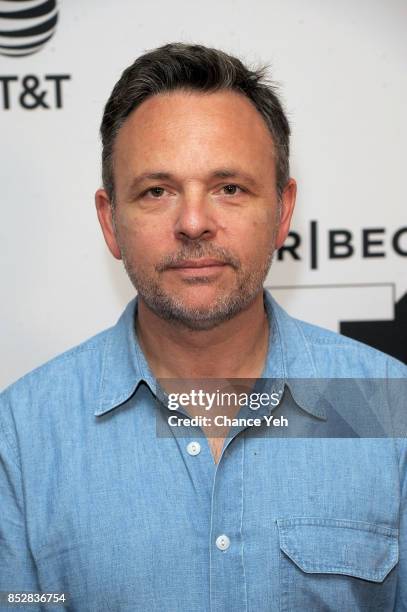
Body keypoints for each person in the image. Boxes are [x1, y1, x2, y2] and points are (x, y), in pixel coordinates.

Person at [0, 42, 406, 612]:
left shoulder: (389, 407)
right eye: (157, 191)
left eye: (229, 188)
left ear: (283, 213)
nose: (193, 223)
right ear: (110, 221)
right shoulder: (21, 434)